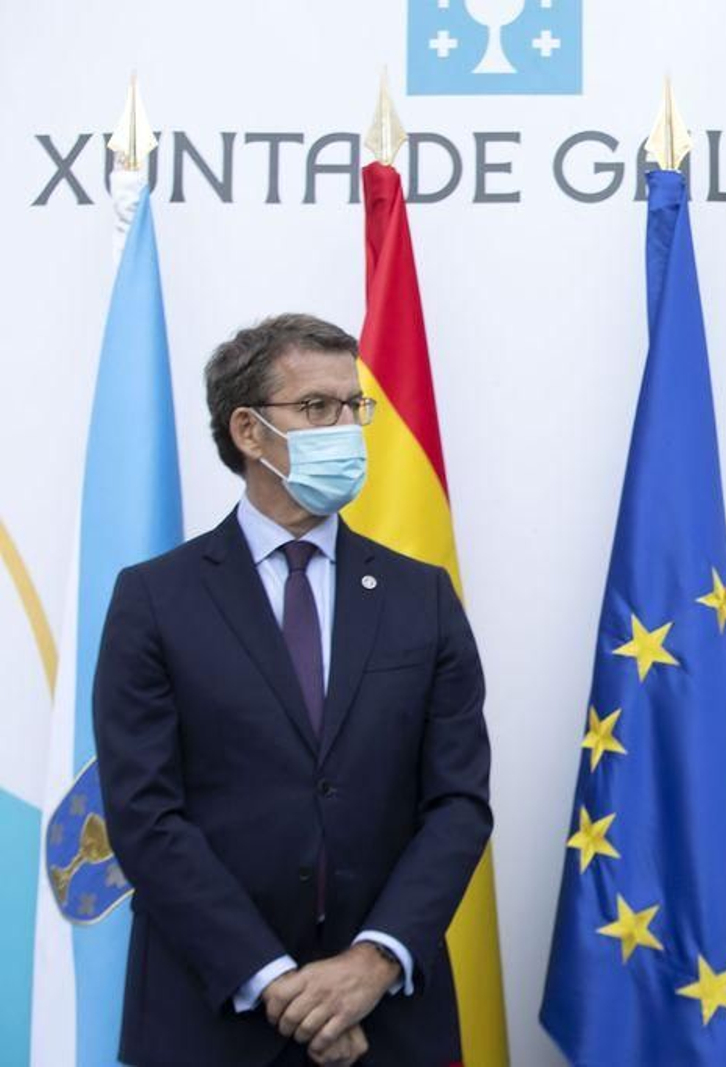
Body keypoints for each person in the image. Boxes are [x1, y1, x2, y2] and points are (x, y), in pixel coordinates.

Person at [93, 313, 492, 1066]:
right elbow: (145, 814)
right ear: (248, 431)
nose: (346, 426)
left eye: (353, 405)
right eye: (317, 408)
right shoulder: (155, 599)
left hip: (390, 1024)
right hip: (209, 1021)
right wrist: (278, 982)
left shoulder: (422, 597)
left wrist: (372, 964)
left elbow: (458, 802)